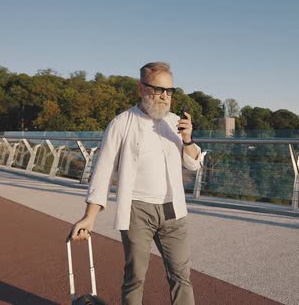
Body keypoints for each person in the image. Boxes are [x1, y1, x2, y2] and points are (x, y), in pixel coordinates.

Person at [68, 62, 201, 305]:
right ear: (141, 88)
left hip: (173, 211)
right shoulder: (121, 123)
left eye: (169, 91)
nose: (164, 97)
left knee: (182, 276)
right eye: (158, 89)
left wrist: (188, 139)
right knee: (136, 277)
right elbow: (103, 171)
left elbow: (193, 165)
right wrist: (89, 217)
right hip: (136, 210)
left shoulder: (175, 123)